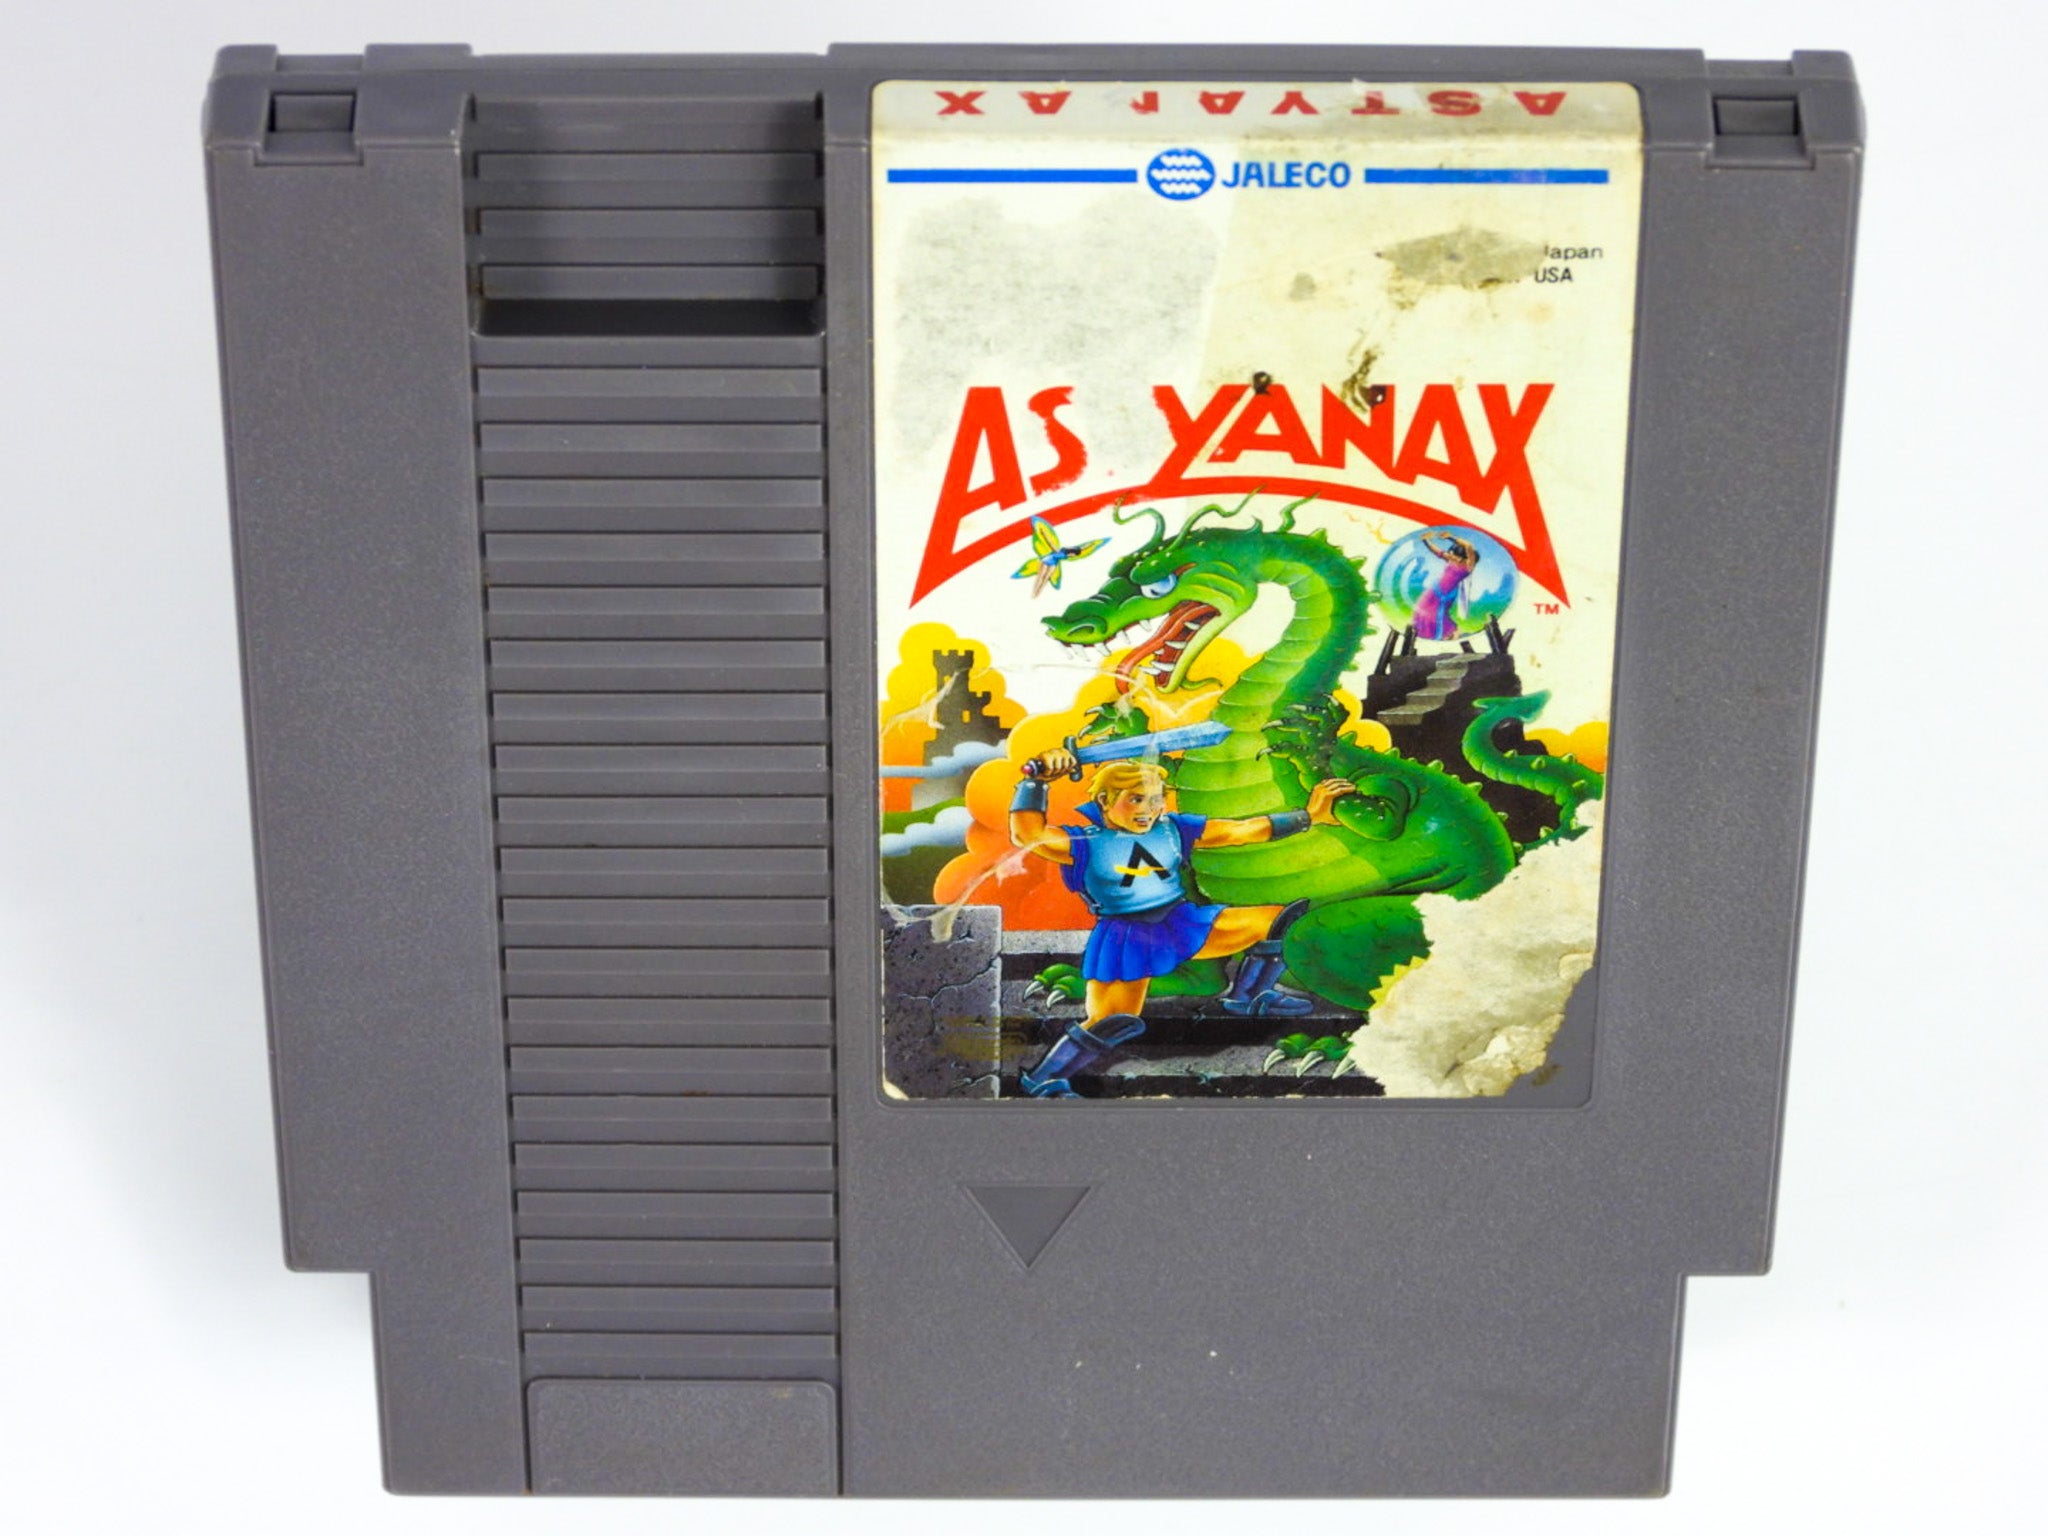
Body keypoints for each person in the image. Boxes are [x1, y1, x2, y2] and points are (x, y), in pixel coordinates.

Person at [1006, 753, 1356, 1096]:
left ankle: (1250, 995)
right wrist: (1034, 782)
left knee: (1278, 920)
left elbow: (1239, 831)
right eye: (1136, 799)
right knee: (1112, 1022)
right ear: (1105, 801)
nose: (1147, 810)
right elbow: (1028, 835)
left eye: (1155, 799)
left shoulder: (1173, 828)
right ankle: (1043, 1080)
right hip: (1128, 937)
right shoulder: (1084, 842)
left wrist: (1308, 816)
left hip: (1181, 922)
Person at [1411, 532, 1481, 641]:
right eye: (1451, 553)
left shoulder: (1468, 566)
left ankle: (1450, 633)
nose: (1450, 555)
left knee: (1439, 614)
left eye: (1454, 554)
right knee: (1420, 609)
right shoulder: (1452, 559)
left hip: (1446, 594)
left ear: (1462, 557)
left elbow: (1468, 546)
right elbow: (1437, 552)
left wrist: (1450, 537)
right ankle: (1423, 635)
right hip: (1434, 589)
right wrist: (1425, 540)